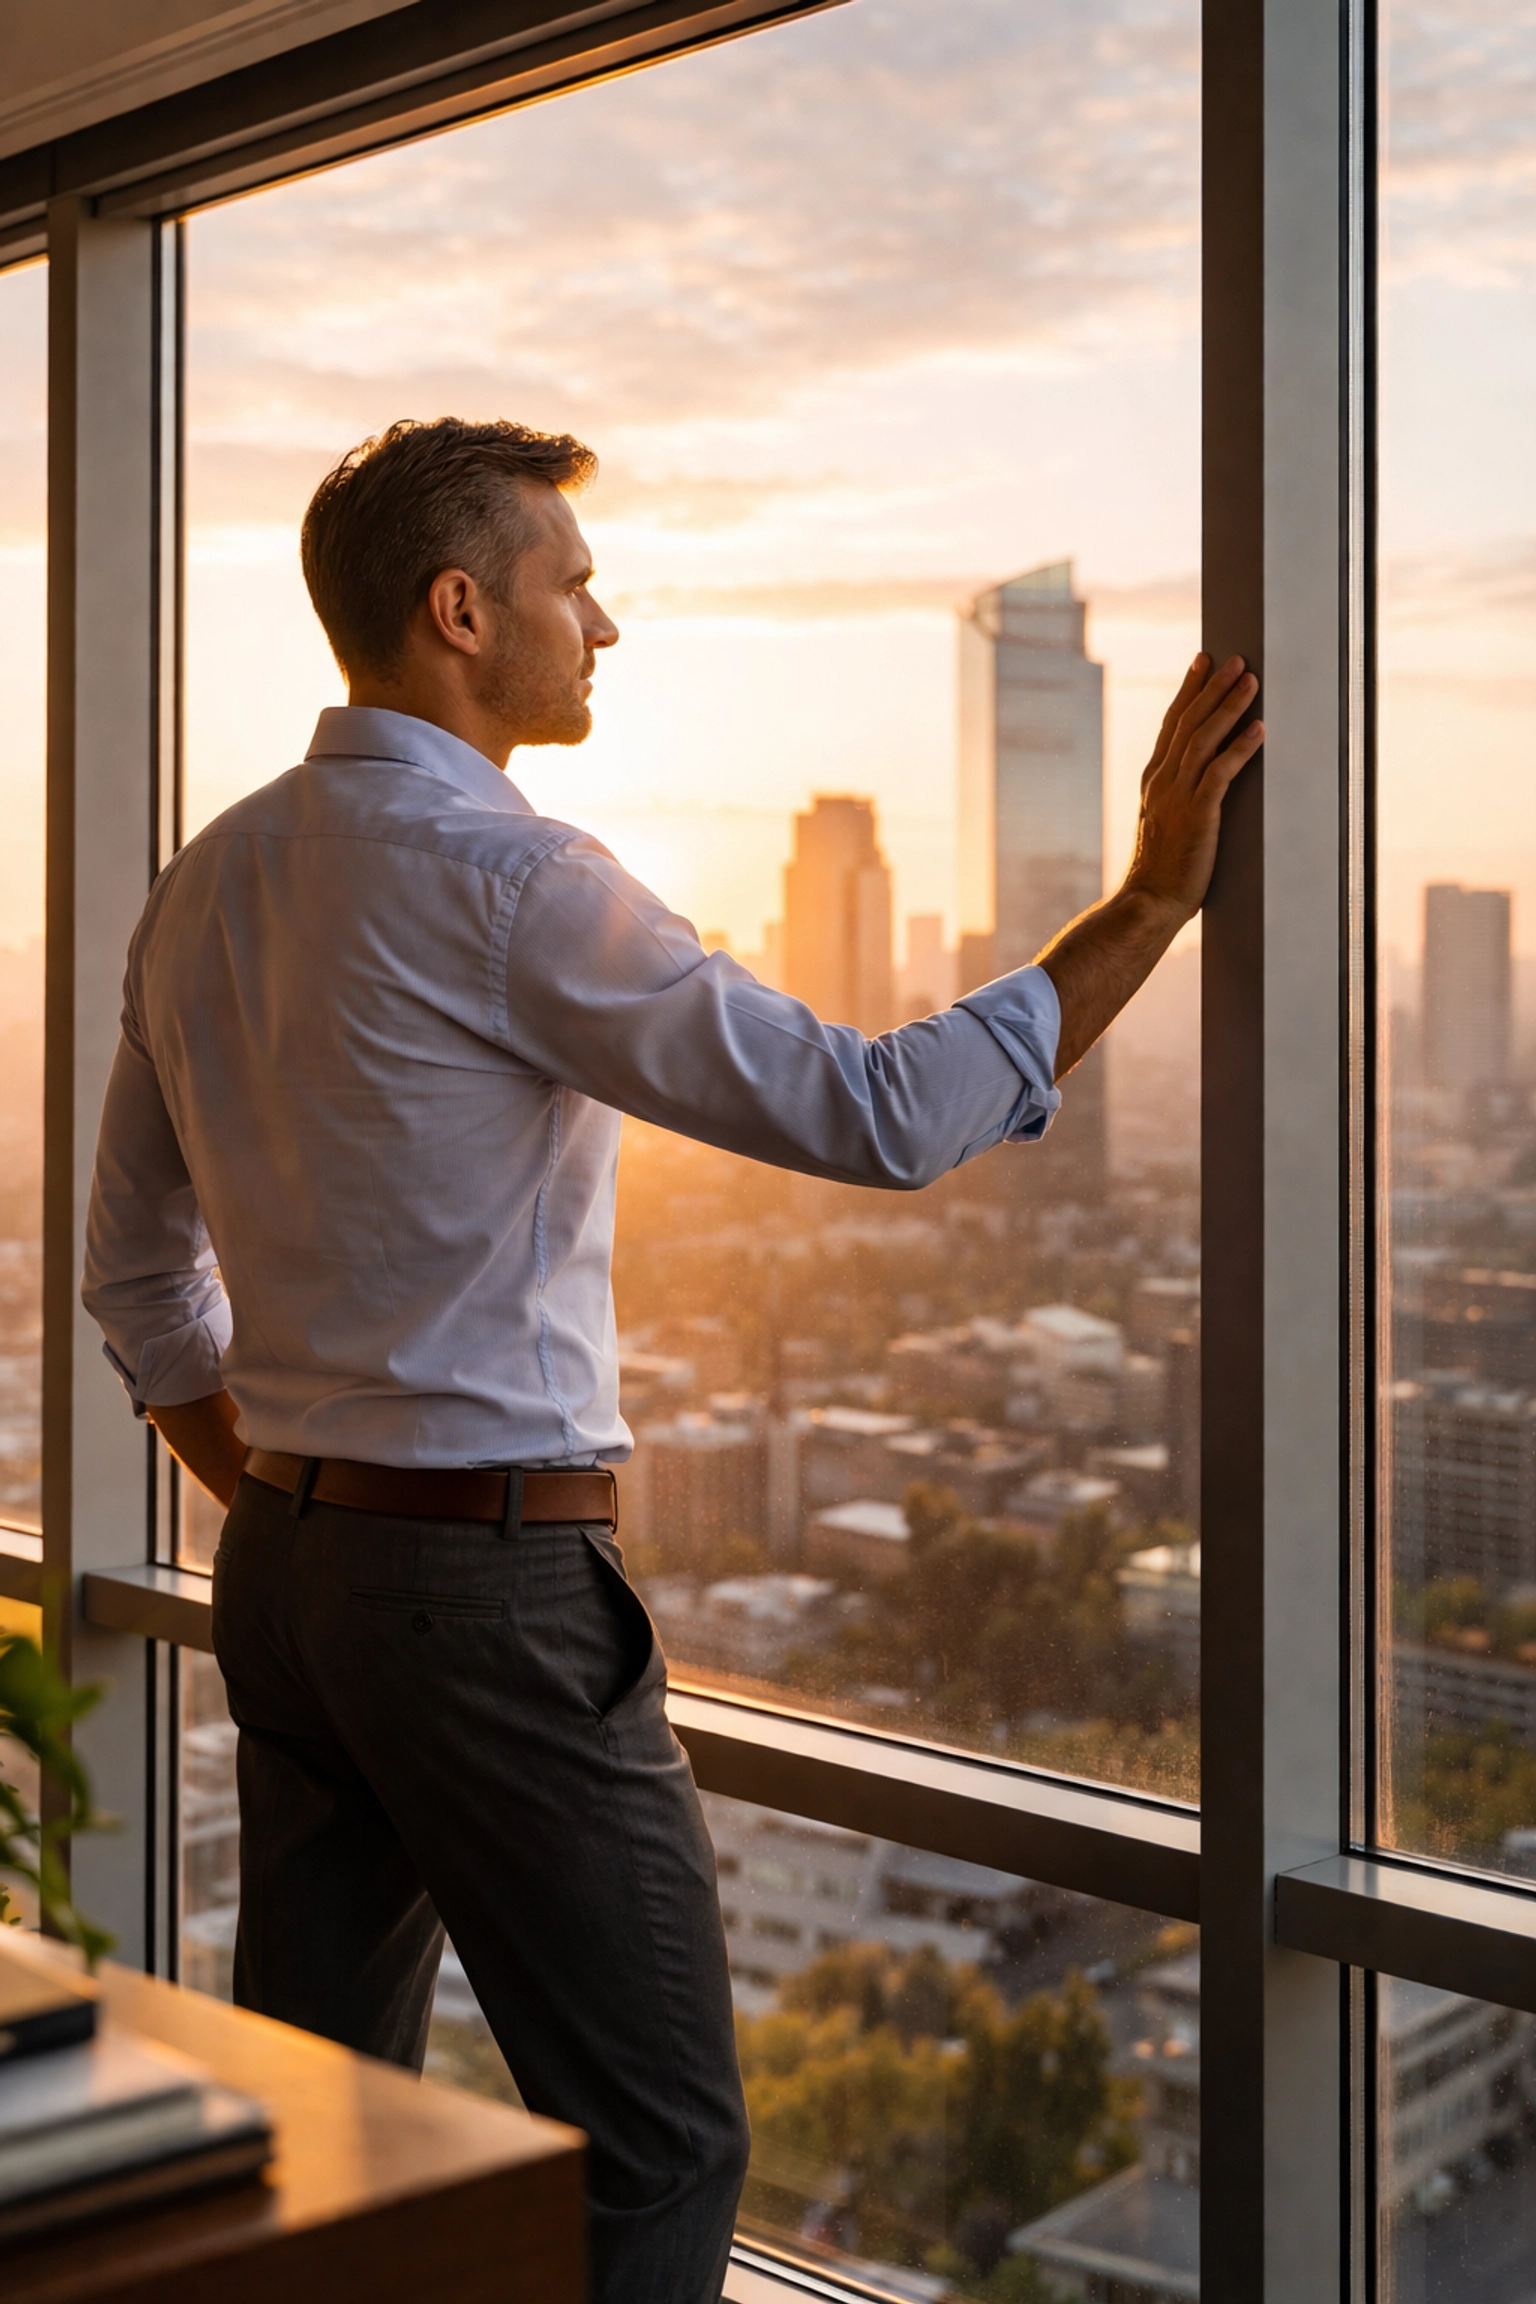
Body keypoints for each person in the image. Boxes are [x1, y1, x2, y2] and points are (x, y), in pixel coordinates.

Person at [82, 417, 1261, 2304]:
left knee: (319, 2112)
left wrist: (296, 1501)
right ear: (460, 611)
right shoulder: (511, 878)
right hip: (478, 1584)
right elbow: (878, 1111)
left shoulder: (203, 882)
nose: (605, 624)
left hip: (291, 1575)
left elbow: (139, 1282)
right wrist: (1149, 906)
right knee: (660, 2140)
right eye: (573, 584)